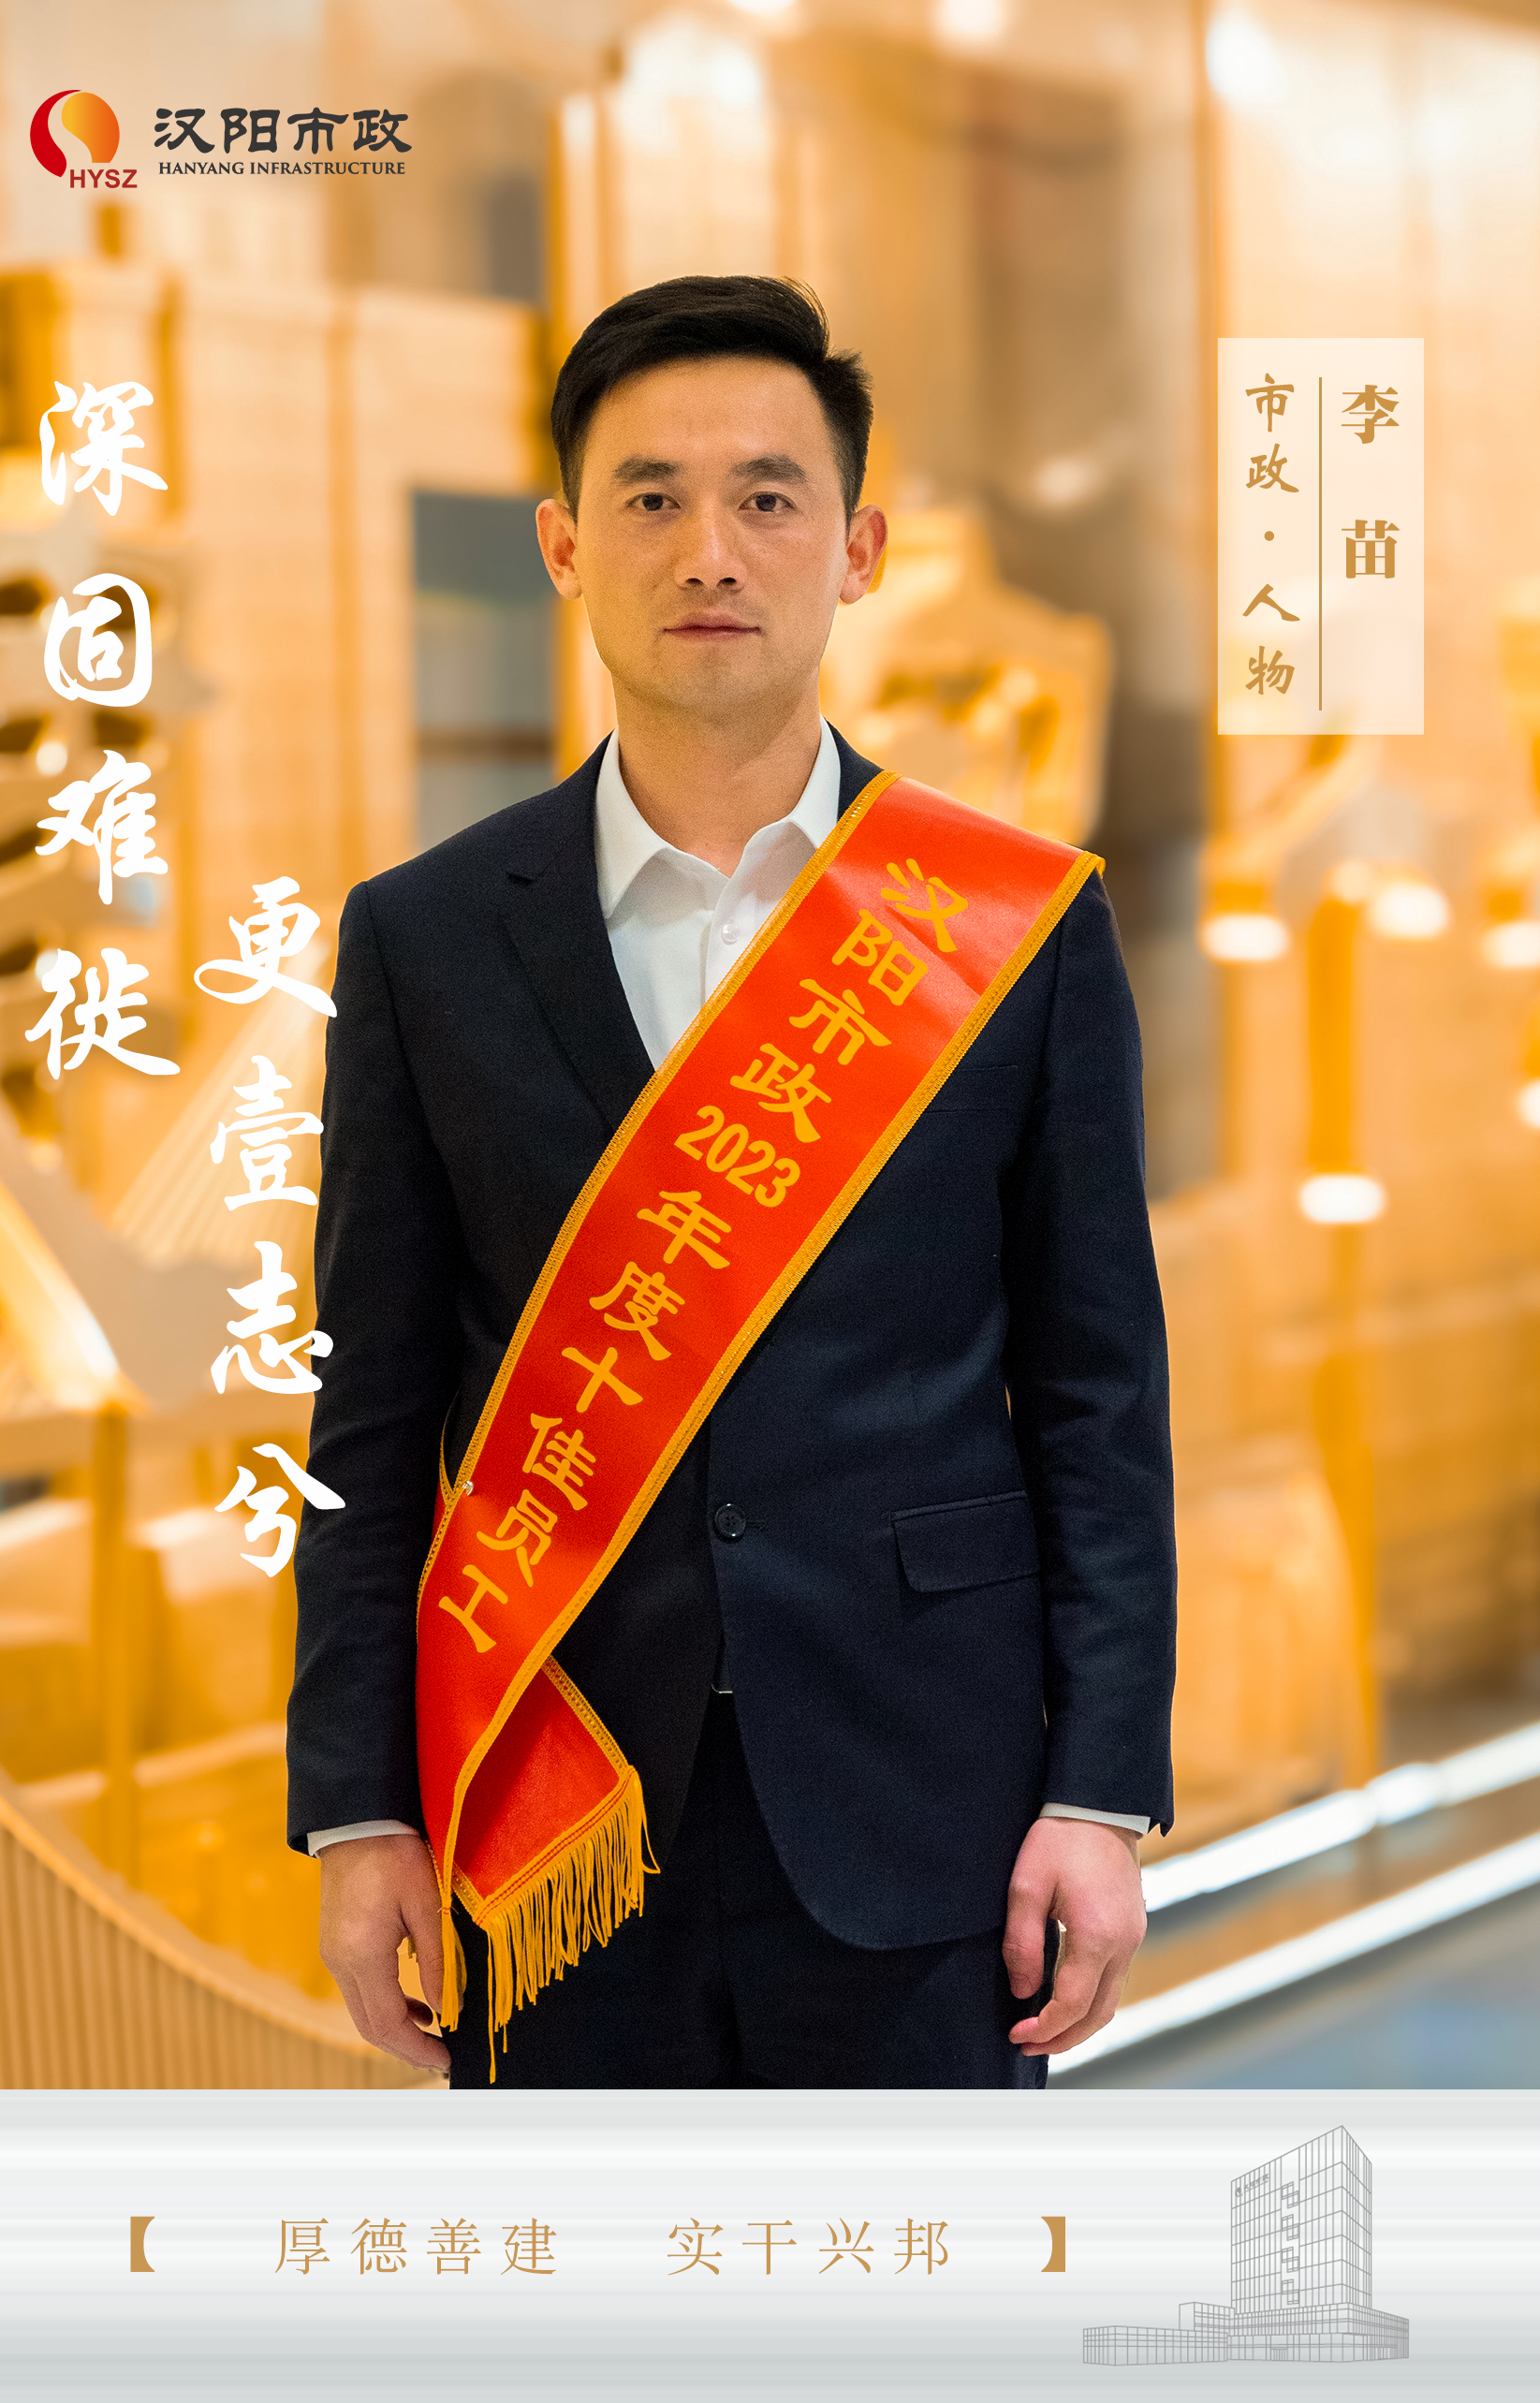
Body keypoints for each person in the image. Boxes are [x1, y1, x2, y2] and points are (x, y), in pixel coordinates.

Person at [286, 274, 1175, 2089]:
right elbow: (366, 1414)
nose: (709, 548)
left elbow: (1097, 1395)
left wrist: (1101, 1787)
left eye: (767, 496)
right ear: (562, 545)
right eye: (650, 496)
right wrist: (358, 1807)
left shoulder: (1012, 928)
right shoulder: (424, 938)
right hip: (555, 1803)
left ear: (855, 550)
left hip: (927, 1795)